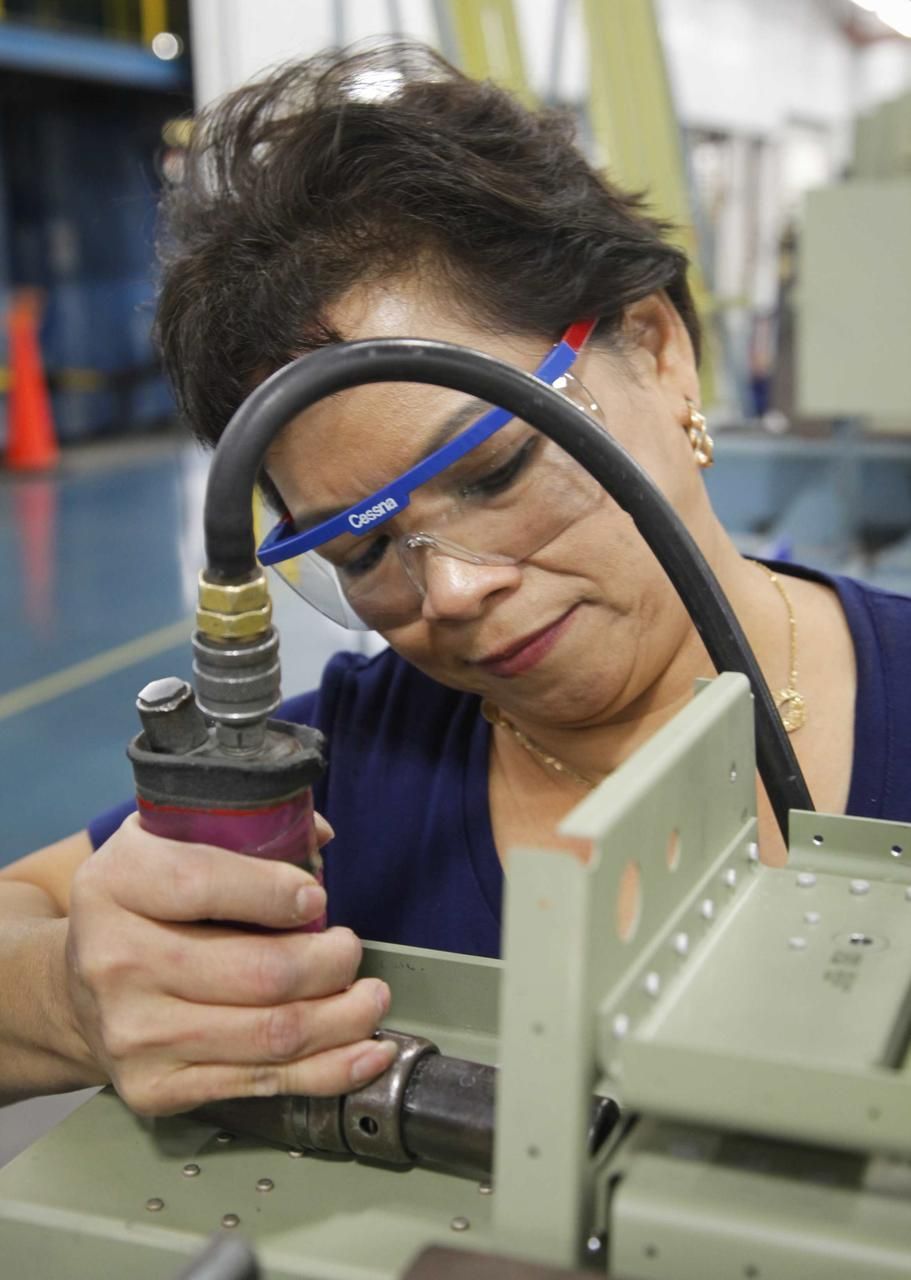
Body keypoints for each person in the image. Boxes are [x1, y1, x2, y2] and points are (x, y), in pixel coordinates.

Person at [2, 42, 909, 1117]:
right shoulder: (340, 781)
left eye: (493, 470)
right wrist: (69, 996)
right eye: (362, 550)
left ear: (657, 350)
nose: (452, 593)